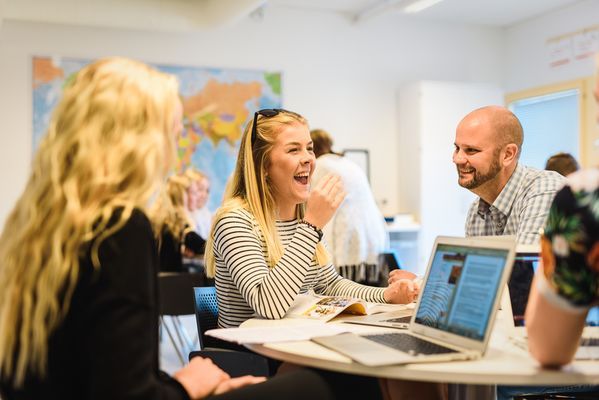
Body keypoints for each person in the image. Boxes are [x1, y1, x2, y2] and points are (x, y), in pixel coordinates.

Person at [0, 57, 380, 400]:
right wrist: (185, 386)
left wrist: (386, 296)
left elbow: (101, 374)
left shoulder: (37, 224)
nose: (174, 144)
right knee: (345, 382)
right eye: (171, 130)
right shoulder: (119, 230)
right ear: (137, 141)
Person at [204, 109, 419, 329]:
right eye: (293, 150)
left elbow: (331, 285)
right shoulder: (235, 221)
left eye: (309, 148)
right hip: (251, 356)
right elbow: (269, 305)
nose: (308, 158)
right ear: (264, 165)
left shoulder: (300, 220)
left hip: (292, 344)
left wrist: (386, 295)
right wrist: (312, 225)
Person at [453, 105, 565, 244]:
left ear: (508, 154)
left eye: (471, 150)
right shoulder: (476, 213)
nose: (457, 159)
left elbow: (527, 265)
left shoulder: (544, 190)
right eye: (457, 148)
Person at [310, 128, 389, 285]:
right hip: (372, 234)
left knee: (342, 288)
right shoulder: (346, 162)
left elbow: (312, 200)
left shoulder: (321, 164)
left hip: (348, 232)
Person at [152, 174, 206, 272]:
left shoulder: (162, 219)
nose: (197, 197)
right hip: (171, 283)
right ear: (181, 195)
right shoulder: (177, 223)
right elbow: (204, 248)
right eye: (193, 193)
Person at [185, 168, 213, 240]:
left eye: (207, 191)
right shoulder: (185, 217)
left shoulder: (207, 215)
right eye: (200, 189)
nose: (204, 195)